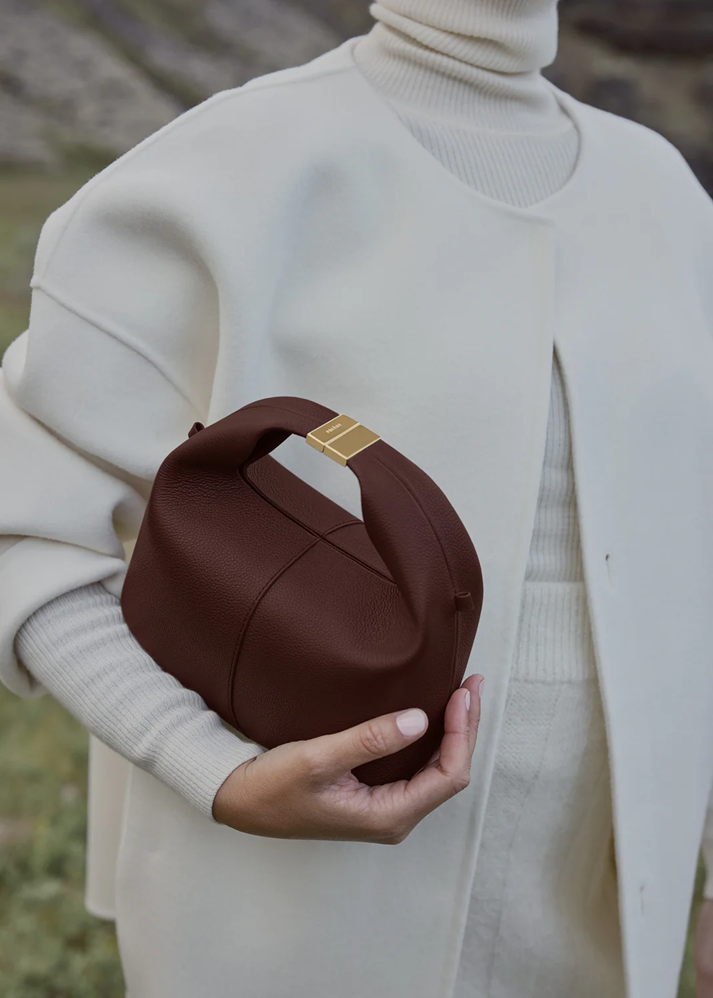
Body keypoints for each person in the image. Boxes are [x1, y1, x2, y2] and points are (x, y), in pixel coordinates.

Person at [2, 1, 713, 996]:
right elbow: (24, 535)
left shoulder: (668, 199)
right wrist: (209, 767)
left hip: (599, 934)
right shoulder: (217, 175)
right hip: (279, 925)